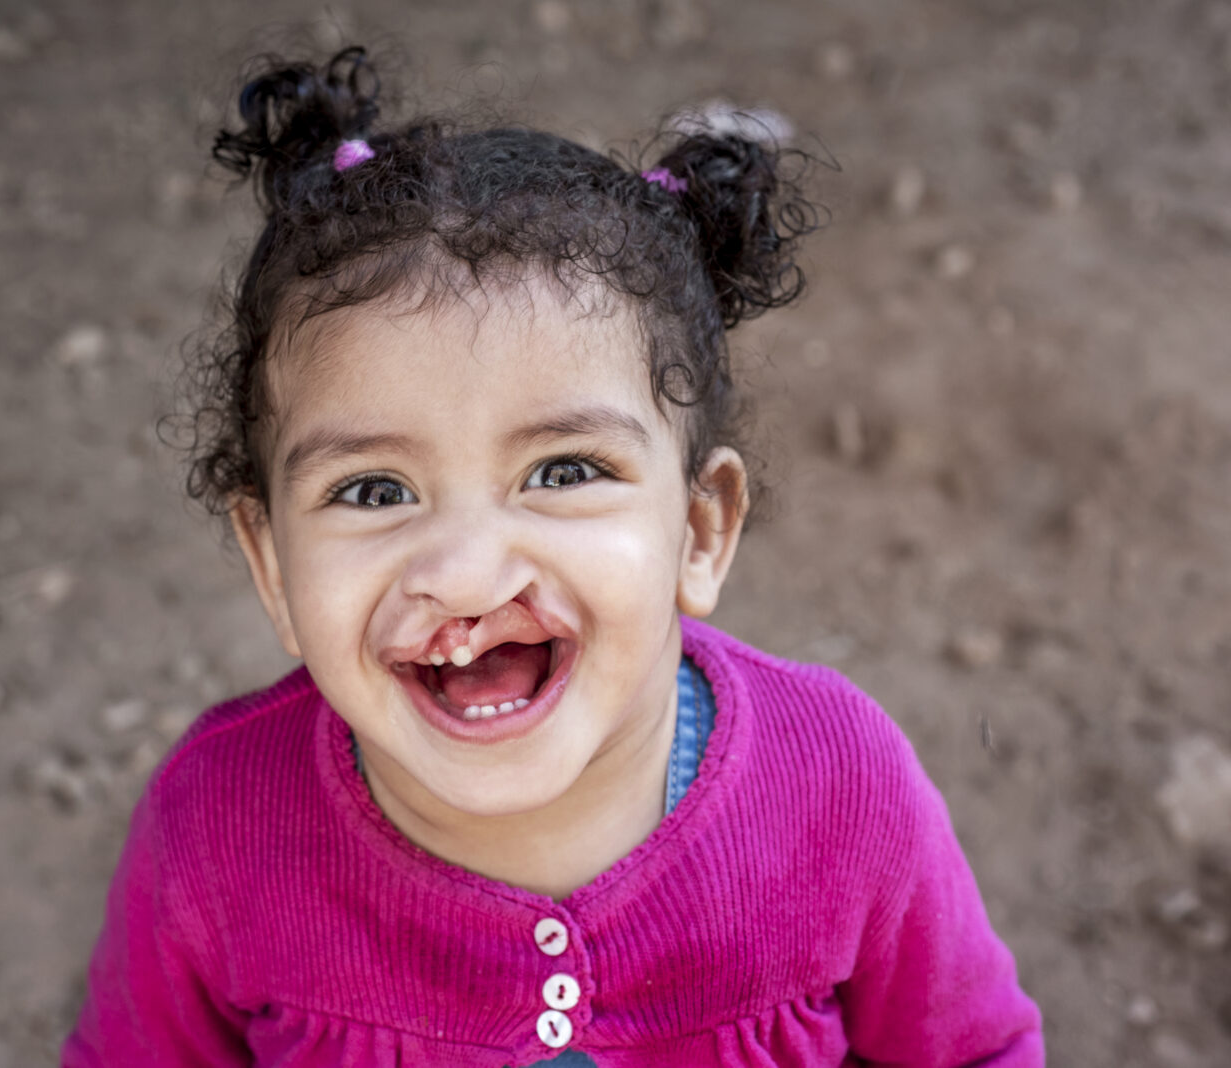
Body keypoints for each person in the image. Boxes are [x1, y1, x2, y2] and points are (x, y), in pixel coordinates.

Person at [62, 45, 1043, 1067]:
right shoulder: (215, 826)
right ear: (271, 565)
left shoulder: (841, 788)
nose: (467, 574)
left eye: (563, 472)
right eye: (373, 491)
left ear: (699, 530)